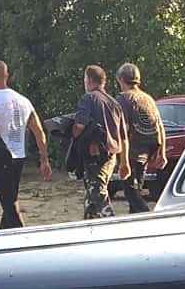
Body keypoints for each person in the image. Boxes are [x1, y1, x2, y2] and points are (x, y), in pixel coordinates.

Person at [0, 58, 51, 230]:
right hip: (19, 157)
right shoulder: (24, 101)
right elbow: (39, 131)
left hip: (0, 157)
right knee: (9, 200)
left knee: (10, 204)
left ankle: (24, 237)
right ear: (7, 75)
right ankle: (1, 236)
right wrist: (44, 159)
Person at [69, 64, 126, 220]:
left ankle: (112, 223)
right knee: (92, 197)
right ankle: (90, 226)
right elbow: (123, 136)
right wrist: (124, 162)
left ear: (88, 80)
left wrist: (70, 132)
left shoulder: (88, 98)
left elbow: (80, 125)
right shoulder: (114, 103)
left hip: (94, 153)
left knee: (97, 192)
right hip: (111, 154)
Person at [114, 62, 166, 212]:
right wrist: (161, 153)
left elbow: (122, 129)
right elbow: (160, 126)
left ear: (121, 79)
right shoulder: (148, 98)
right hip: (148, 149)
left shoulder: (123, 98)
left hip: (131, 149)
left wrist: (122, 159)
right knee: (137, 190)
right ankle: (135, 225)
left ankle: (148, 217)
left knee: (131, 192)